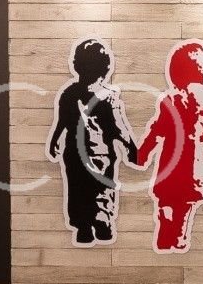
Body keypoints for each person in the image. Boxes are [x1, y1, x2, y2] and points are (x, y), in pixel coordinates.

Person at [135, 40, 203, 253]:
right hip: (195, 172)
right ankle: (177, 237)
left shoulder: (171, 101)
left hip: (170, 172)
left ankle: (169, 236)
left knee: (168, 209)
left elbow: (156, 133)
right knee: (182, 212)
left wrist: (141, 156)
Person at [47, 38, 136, 246]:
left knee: (78, 190)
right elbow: (119, 127)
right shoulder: (109, 96)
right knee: (102, 190)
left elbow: (61, 122)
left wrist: (54, 141)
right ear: (106, 68)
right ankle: (103, 224)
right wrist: (131, 148)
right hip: (101, 156)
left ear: (77, 65)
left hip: (75, 155)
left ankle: (83, 228)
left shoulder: (69, 93)